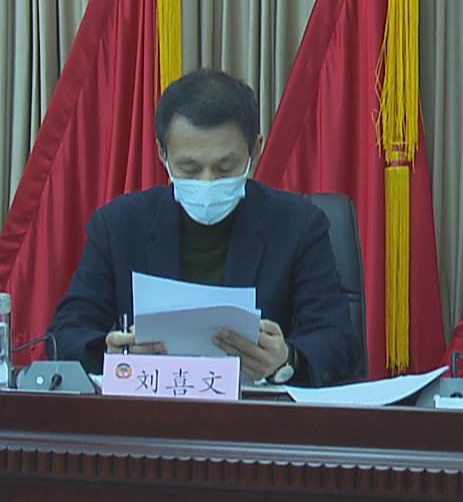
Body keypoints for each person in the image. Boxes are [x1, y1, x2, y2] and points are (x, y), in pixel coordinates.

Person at [48, 69, 360, 386]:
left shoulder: (299, 225)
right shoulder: (118, 226)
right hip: (148, 408)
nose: (207, 182)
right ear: (162, 153)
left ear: (255, 150)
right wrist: (112, 353)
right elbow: (65, 335)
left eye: (225, 168)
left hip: (255, 410)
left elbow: (338, 342)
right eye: (190, 168)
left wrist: (287, 358)